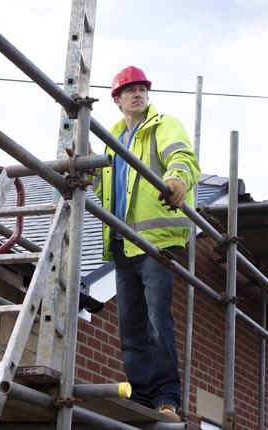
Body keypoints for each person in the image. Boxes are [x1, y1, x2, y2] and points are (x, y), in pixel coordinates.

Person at [92, 66, 201, 421]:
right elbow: (102, 187)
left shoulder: (163, 125)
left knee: (157, 319)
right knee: (131, 324)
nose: (138, 94)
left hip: (156, 242)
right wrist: (85, 170)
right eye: (130, 90)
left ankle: (166, 398)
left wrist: (177, 178)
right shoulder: (114, 138)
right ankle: (140, 397)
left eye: (142, 89)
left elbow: (182, 158)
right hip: (124, 243)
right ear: (118, 99)